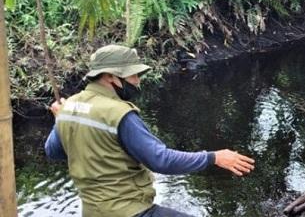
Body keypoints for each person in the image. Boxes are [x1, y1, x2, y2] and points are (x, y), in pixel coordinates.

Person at [45, 45, 256, 217]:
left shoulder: (69, 107)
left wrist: (59, 121)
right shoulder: (119, 113)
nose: (138, 80)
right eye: (133, 75)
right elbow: (160, 160)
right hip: (129, 211)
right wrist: (214, 157)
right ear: (110, 77)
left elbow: (54, 152)